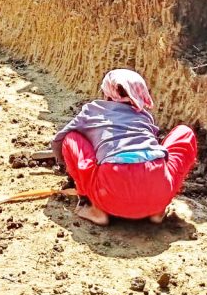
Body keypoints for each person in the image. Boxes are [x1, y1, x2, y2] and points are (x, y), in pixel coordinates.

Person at [50, 69, 198, 225]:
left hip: (109, 196)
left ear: (107, 93)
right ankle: (157, 211)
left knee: (71, 138)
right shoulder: (144, 116)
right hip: (158, 192)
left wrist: (63, 163)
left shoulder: (92, 111)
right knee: (185, 133)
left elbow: (60, 139)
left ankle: (93, 207)